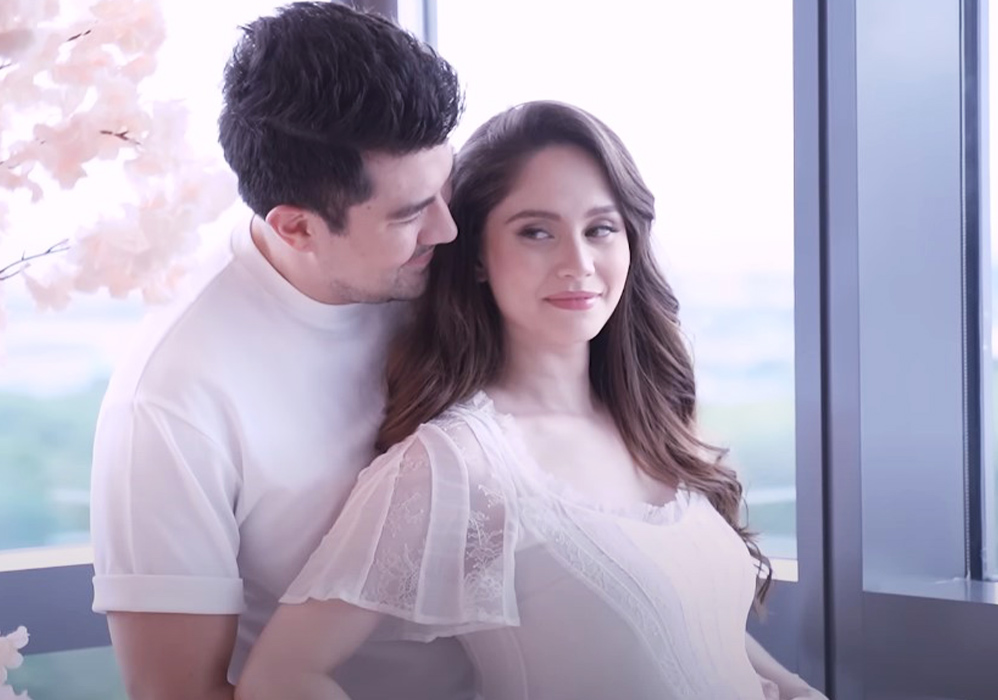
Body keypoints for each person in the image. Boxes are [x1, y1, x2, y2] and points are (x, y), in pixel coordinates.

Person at [235, 100, 827, 700]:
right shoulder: (459, 465)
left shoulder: (649, 420)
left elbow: (707, 636)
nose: (578, 263)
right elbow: (279, 677)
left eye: (600, 229)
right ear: (478, 258)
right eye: (536, 232)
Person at [89, 0, 477, 700]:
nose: (447, 229)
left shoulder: (440, 266)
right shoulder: (171, 399)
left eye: (442, 188)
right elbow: (178, 692)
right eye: (411, 213)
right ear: (296, 227)